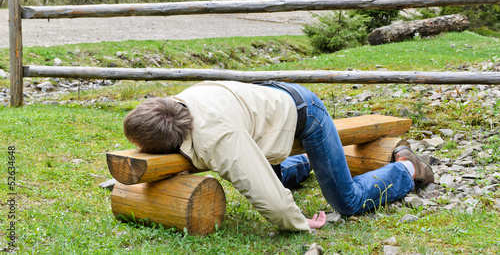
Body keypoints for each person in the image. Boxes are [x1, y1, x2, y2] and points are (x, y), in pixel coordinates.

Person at [123, 81, 434, 231]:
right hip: (269, 118)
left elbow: (268, 197)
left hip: (305, 114)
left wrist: (298, 222)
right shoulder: (177, 105)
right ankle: (317, 160)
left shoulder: (220, 138)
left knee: (347, 201)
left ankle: (408, 167)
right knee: (283, 176)